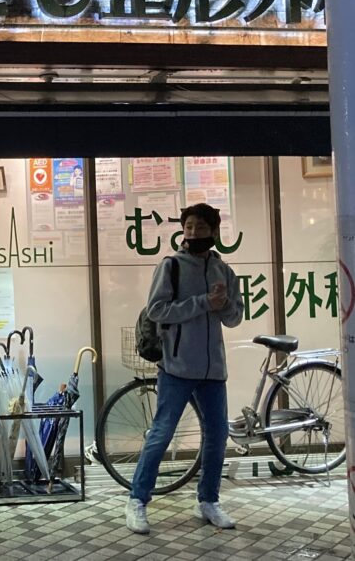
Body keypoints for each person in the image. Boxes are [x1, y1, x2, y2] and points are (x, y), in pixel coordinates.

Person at [125, 203, 243, 535]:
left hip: (213, 370)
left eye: (201, 227)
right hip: (176, 367)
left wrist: (223, 304)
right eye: (189, 226)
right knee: (161, 433)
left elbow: (235, 318)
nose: (193, 232)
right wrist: (203, 302)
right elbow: (157, 310)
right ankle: (137, 500)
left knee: (217, 436)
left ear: (214, 231)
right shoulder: (171, 266)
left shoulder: (224, 271)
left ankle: (208, 500)